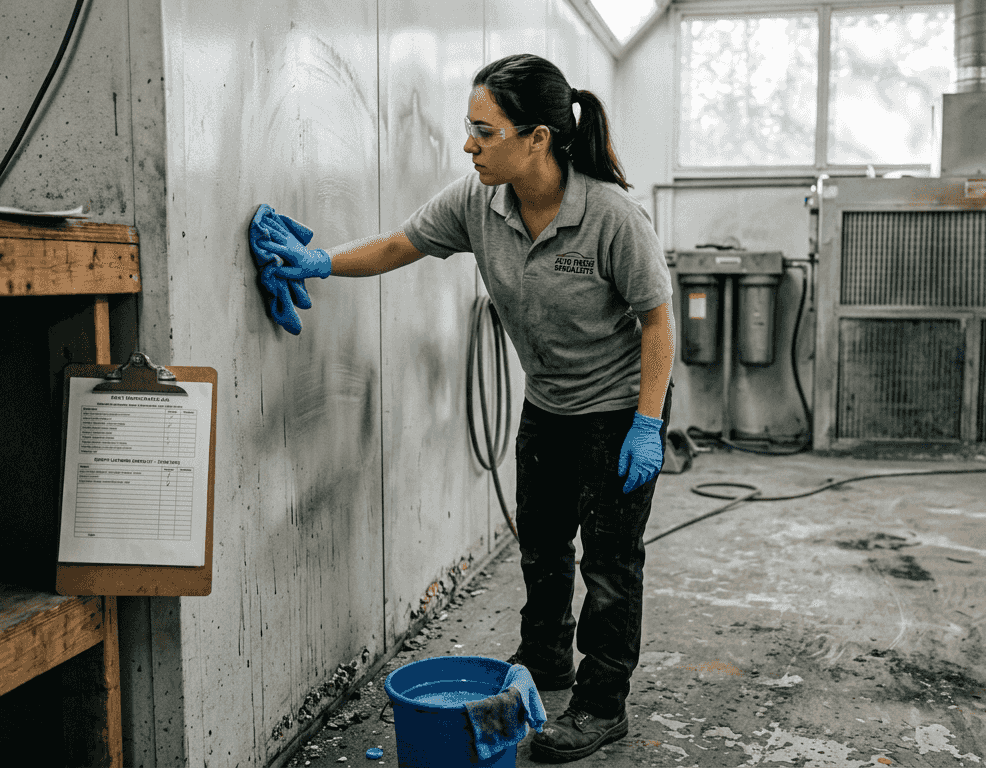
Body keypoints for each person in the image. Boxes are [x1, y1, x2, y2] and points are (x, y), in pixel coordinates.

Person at [256, 53, 674, 763]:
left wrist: (646, 424)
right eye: (468, 129)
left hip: (617, 409)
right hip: (549, 406)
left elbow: (659, 324)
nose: (469, 145)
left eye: (484, 131)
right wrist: (320, 263)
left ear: (536, 138)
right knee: (543, 547)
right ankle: (546, 662)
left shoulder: (609, 217)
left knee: (609, 567)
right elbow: (399, 244)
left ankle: (603, 708)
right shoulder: (478, 203)